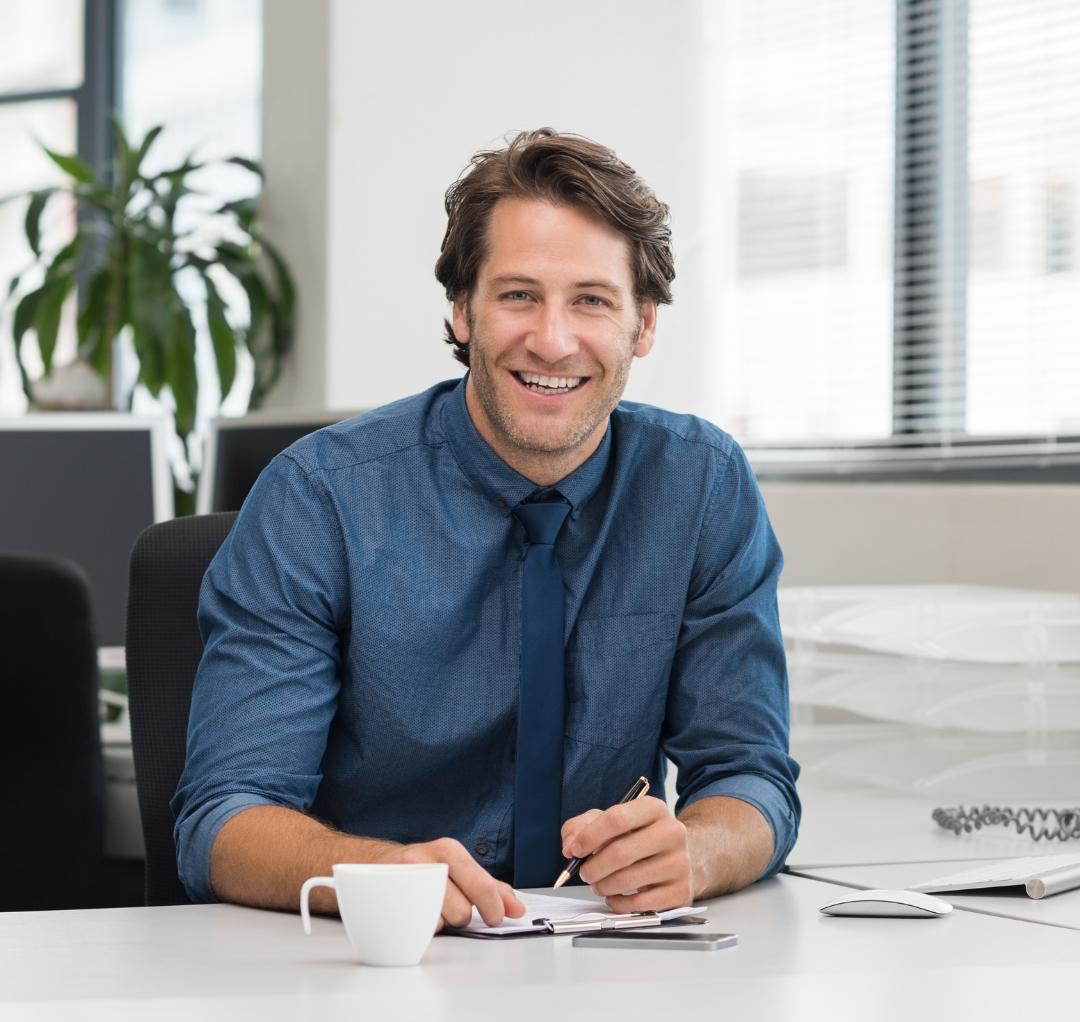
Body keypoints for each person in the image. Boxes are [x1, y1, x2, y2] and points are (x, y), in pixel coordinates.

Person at [173, 129, 800, 930]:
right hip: (371, 960)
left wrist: (696, 852)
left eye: (591, 300)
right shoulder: (317, 500)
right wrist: (379, 873)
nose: (552, 339)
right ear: (462, 311)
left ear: (643, 324)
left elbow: (752, 779)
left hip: (603, 961)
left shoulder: (701, 485)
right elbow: (222, 819)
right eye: (518, 295)